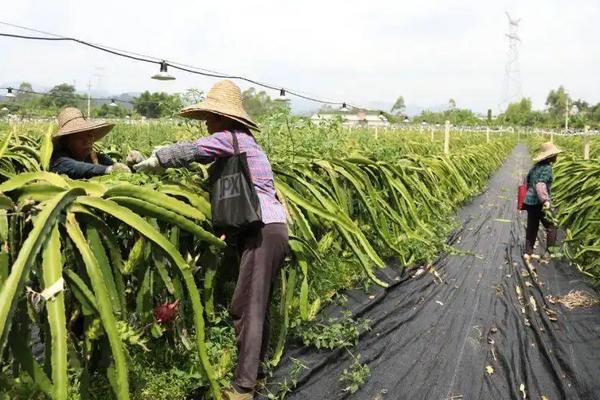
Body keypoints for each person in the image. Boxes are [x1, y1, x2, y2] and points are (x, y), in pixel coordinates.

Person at [134, 80, 289, 400]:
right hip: (266, 230)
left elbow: (193, 151)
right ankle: (256, 372)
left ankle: (243, 388)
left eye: (210, 117)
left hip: (263, 231)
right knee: (254, 304)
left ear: (223, 118)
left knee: (248, 307)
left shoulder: (231, 139)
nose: (206, 123)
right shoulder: (244, 143)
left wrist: (157, 159)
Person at [50, 107, 143, 179]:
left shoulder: (96, 157)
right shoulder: (59, 160)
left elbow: (117, 167)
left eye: (89, 135)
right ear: (66, 141)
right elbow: (77, 167)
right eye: (79, 137)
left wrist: (131, 164)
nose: (87, 141)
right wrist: (108, 170)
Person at [523, 142, 563, 263]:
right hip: (539, 202)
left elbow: (527, 181)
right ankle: (548, 254)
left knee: (532, 227)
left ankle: (527, 253)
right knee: (552, 226)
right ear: (549, 157)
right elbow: (541, 185)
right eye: (554, 155)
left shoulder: (535, 167)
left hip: (529, 201)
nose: (556, 156)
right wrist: (545, 200)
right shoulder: (547, 168)